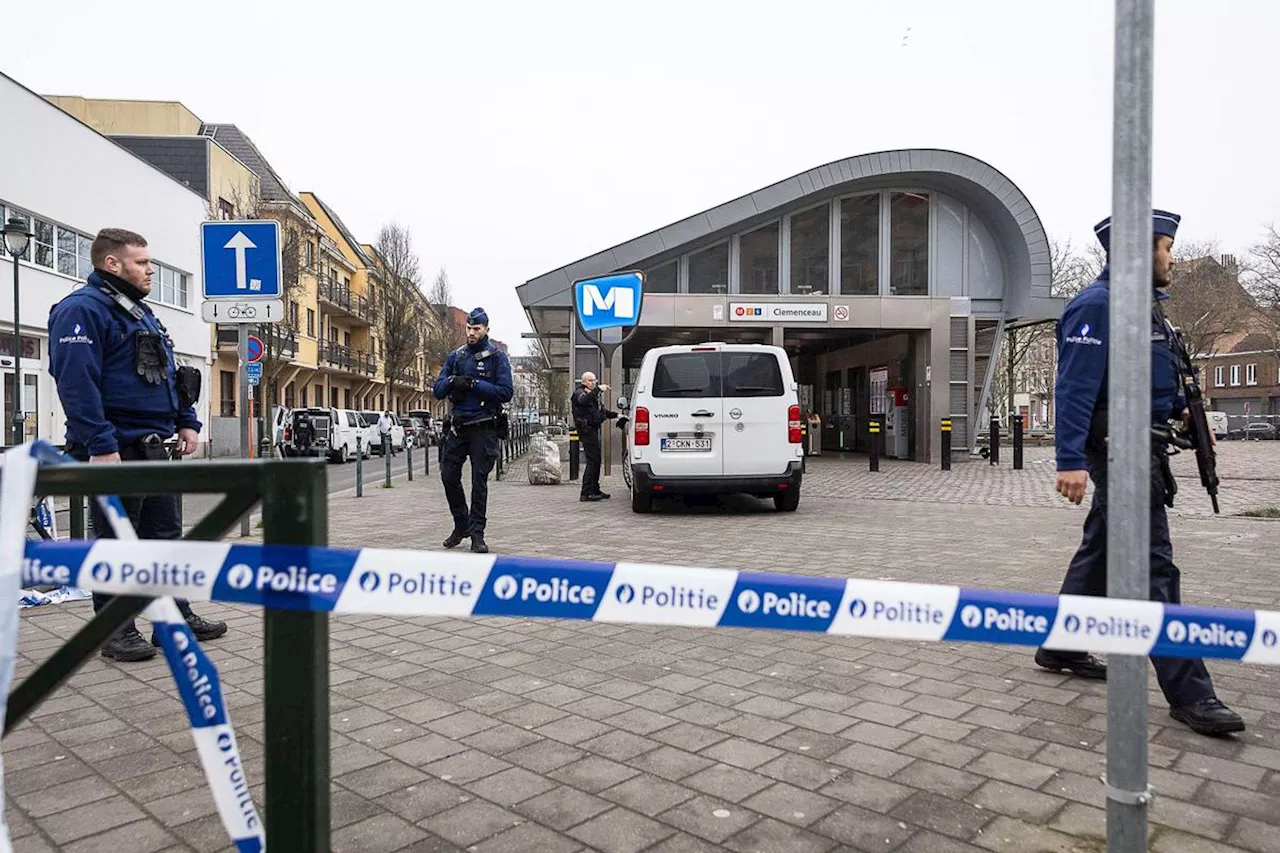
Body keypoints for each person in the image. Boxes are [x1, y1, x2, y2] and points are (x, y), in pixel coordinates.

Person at [1036, 209, 1243, 736]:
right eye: (1164, 248)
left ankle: (1061, 643)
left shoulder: (1148, 310)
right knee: (1155, 568)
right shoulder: (1097, 307)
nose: (1171, 258)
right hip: (1119, 453)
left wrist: (1189, 418)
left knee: (1101, 548)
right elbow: (1075, 389)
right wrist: (1070, 462)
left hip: (1143, 443)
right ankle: (1192, 694)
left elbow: (1157, 380)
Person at [48, 228, 228, 662]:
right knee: (117, 543)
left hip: (154, 448)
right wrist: (100, 444)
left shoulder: (137, 312)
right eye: (143, 262)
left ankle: (173, 621)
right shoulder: (81, 311)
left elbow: (166, 373)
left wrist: (186, 421)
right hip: (117, 449)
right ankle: (114, 631)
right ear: (113, 264)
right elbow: (77, 384)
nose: (150, 270)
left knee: (163, 537)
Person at [432, 308, 513, 553]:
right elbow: (437, 389)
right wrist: (452, 382)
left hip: (484, 426)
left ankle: (477, 534)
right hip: (458, 427)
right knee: (448, 476)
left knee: (479, 483)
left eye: (476, 329)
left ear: (486, 329)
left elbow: (505, 392)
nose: (471, 333)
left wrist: (475, 384)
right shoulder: (456, 356)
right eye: (469, 328)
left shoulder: (497, 358)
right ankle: (461, 524)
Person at [571, 372, 617, 502]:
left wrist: (617, 416)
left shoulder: (593, 396)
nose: (594, 383)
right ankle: (585, 493)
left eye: (595, 381)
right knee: (592, 461)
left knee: (596, 460)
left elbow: (601, 412)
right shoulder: (579, 393)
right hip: (586, 431)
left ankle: (595, 489)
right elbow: (583, 400)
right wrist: (598, 390)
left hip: (592, 430)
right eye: (591, 381)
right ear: (584, 381)